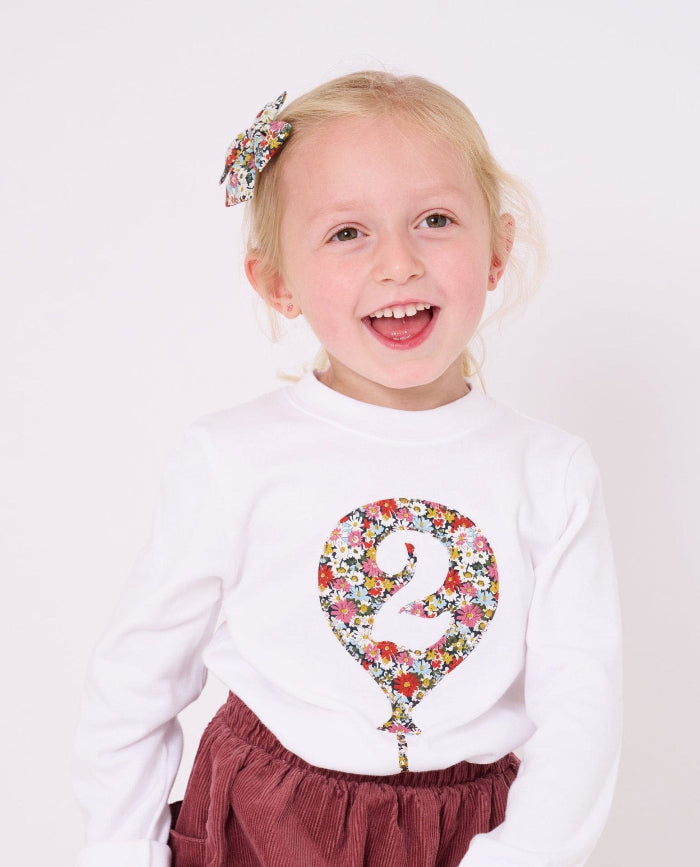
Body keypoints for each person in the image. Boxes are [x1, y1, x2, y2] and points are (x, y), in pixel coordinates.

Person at [73, 71, 622, 867]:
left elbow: (582, 705)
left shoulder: (550, 471)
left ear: (497, 250)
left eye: (435, 220)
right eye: (347, 233)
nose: (398, 263)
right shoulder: (232, 458)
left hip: (469, 831)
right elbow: (138, 676)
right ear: (277, 282)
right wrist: (117, 849)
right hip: (264, 822)